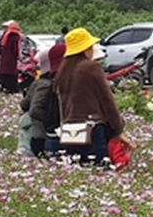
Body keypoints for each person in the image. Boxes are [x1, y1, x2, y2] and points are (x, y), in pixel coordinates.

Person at [52, 27, 134, 167]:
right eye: (91, 46)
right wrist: (118, 129)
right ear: (84, 49)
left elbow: (62, 107)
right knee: (100, 171)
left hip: (70, 133)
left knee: (78, 174)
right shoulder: (91, 67)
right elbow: (107, 100)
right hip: (93, 131)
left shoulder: (63, 72)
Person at [22, 47, 58, 156]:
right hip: (42, 135)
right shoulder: (47, 85)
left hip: (35, 134)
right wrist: (51, 119)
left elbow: (24, 104)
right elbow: (35, 110)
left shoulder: (37, 82)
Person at [0, 20, 23, 94]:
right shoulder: (15, 36)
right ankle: (12, 90)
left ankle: (5, 88)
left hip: (4, 60)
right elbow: (16, 49)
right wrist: (18, 57)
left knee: (5, 76)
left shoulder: (5, 36)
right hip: (11, 61)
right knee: (12, 76)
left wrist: (1, 55)